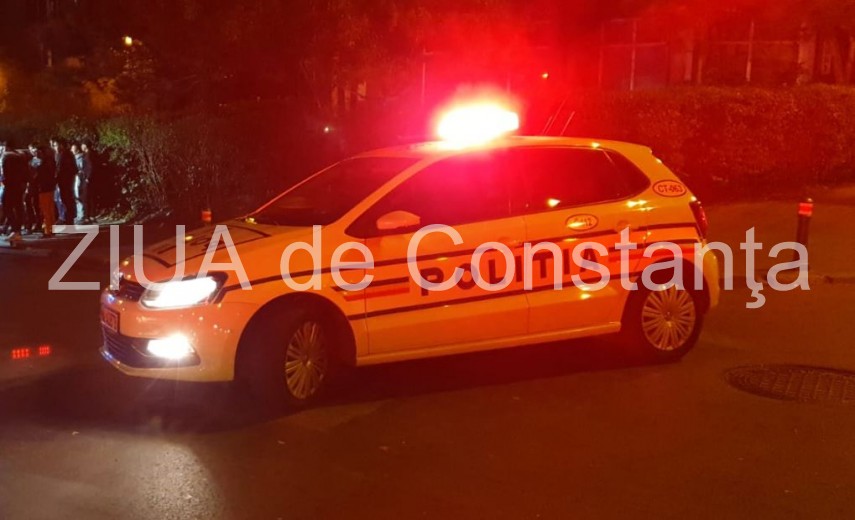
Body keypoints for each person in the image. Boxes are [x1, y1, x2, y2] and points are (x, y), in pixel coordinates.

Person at [0, 141, 28, 242]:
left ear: (6, 147)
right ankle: (17, 231)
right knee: (18, 207)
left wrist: (4, 181)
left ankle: (14, 229)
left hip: (10, 185)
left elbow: (4, 172)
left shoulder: (6, 157)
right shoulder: (21, 156)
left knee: (7, 207)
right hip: (20, 186)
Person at [29, 144, 57, 237]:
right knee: (50, 209)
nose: (37, 154)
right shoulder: (51, 161)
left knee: (45, 210)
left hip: (43, 188)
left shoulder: (43, 164)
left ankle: (47, 230)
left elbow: (38, 176)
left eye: (39, 152)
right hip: (50, 187)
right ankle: (51, 228)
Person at [50, 138, 77, 224]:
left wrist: (57, 178)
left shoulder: (65, 155)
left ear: (61, 145)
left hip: (66, 181)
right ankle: (68, 220)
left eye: (56, 145)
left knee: (67, 201)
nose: (55, 147)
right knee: (65, 201)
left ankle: (69, 221)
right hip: (63, 181)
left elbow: (64, 169)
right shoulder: (61, 154)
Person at [79, 143, 94, 222]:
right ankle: (91, 215)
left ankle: (87, 216)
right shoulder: (86, 154)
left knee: (85, 197)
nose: (81, 147)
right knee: (89, 197)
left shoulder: (88, 155)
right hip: (86, 177)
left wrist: (88, 177)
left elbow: (90, 166)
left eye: (82, 145)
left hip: (87, 178)